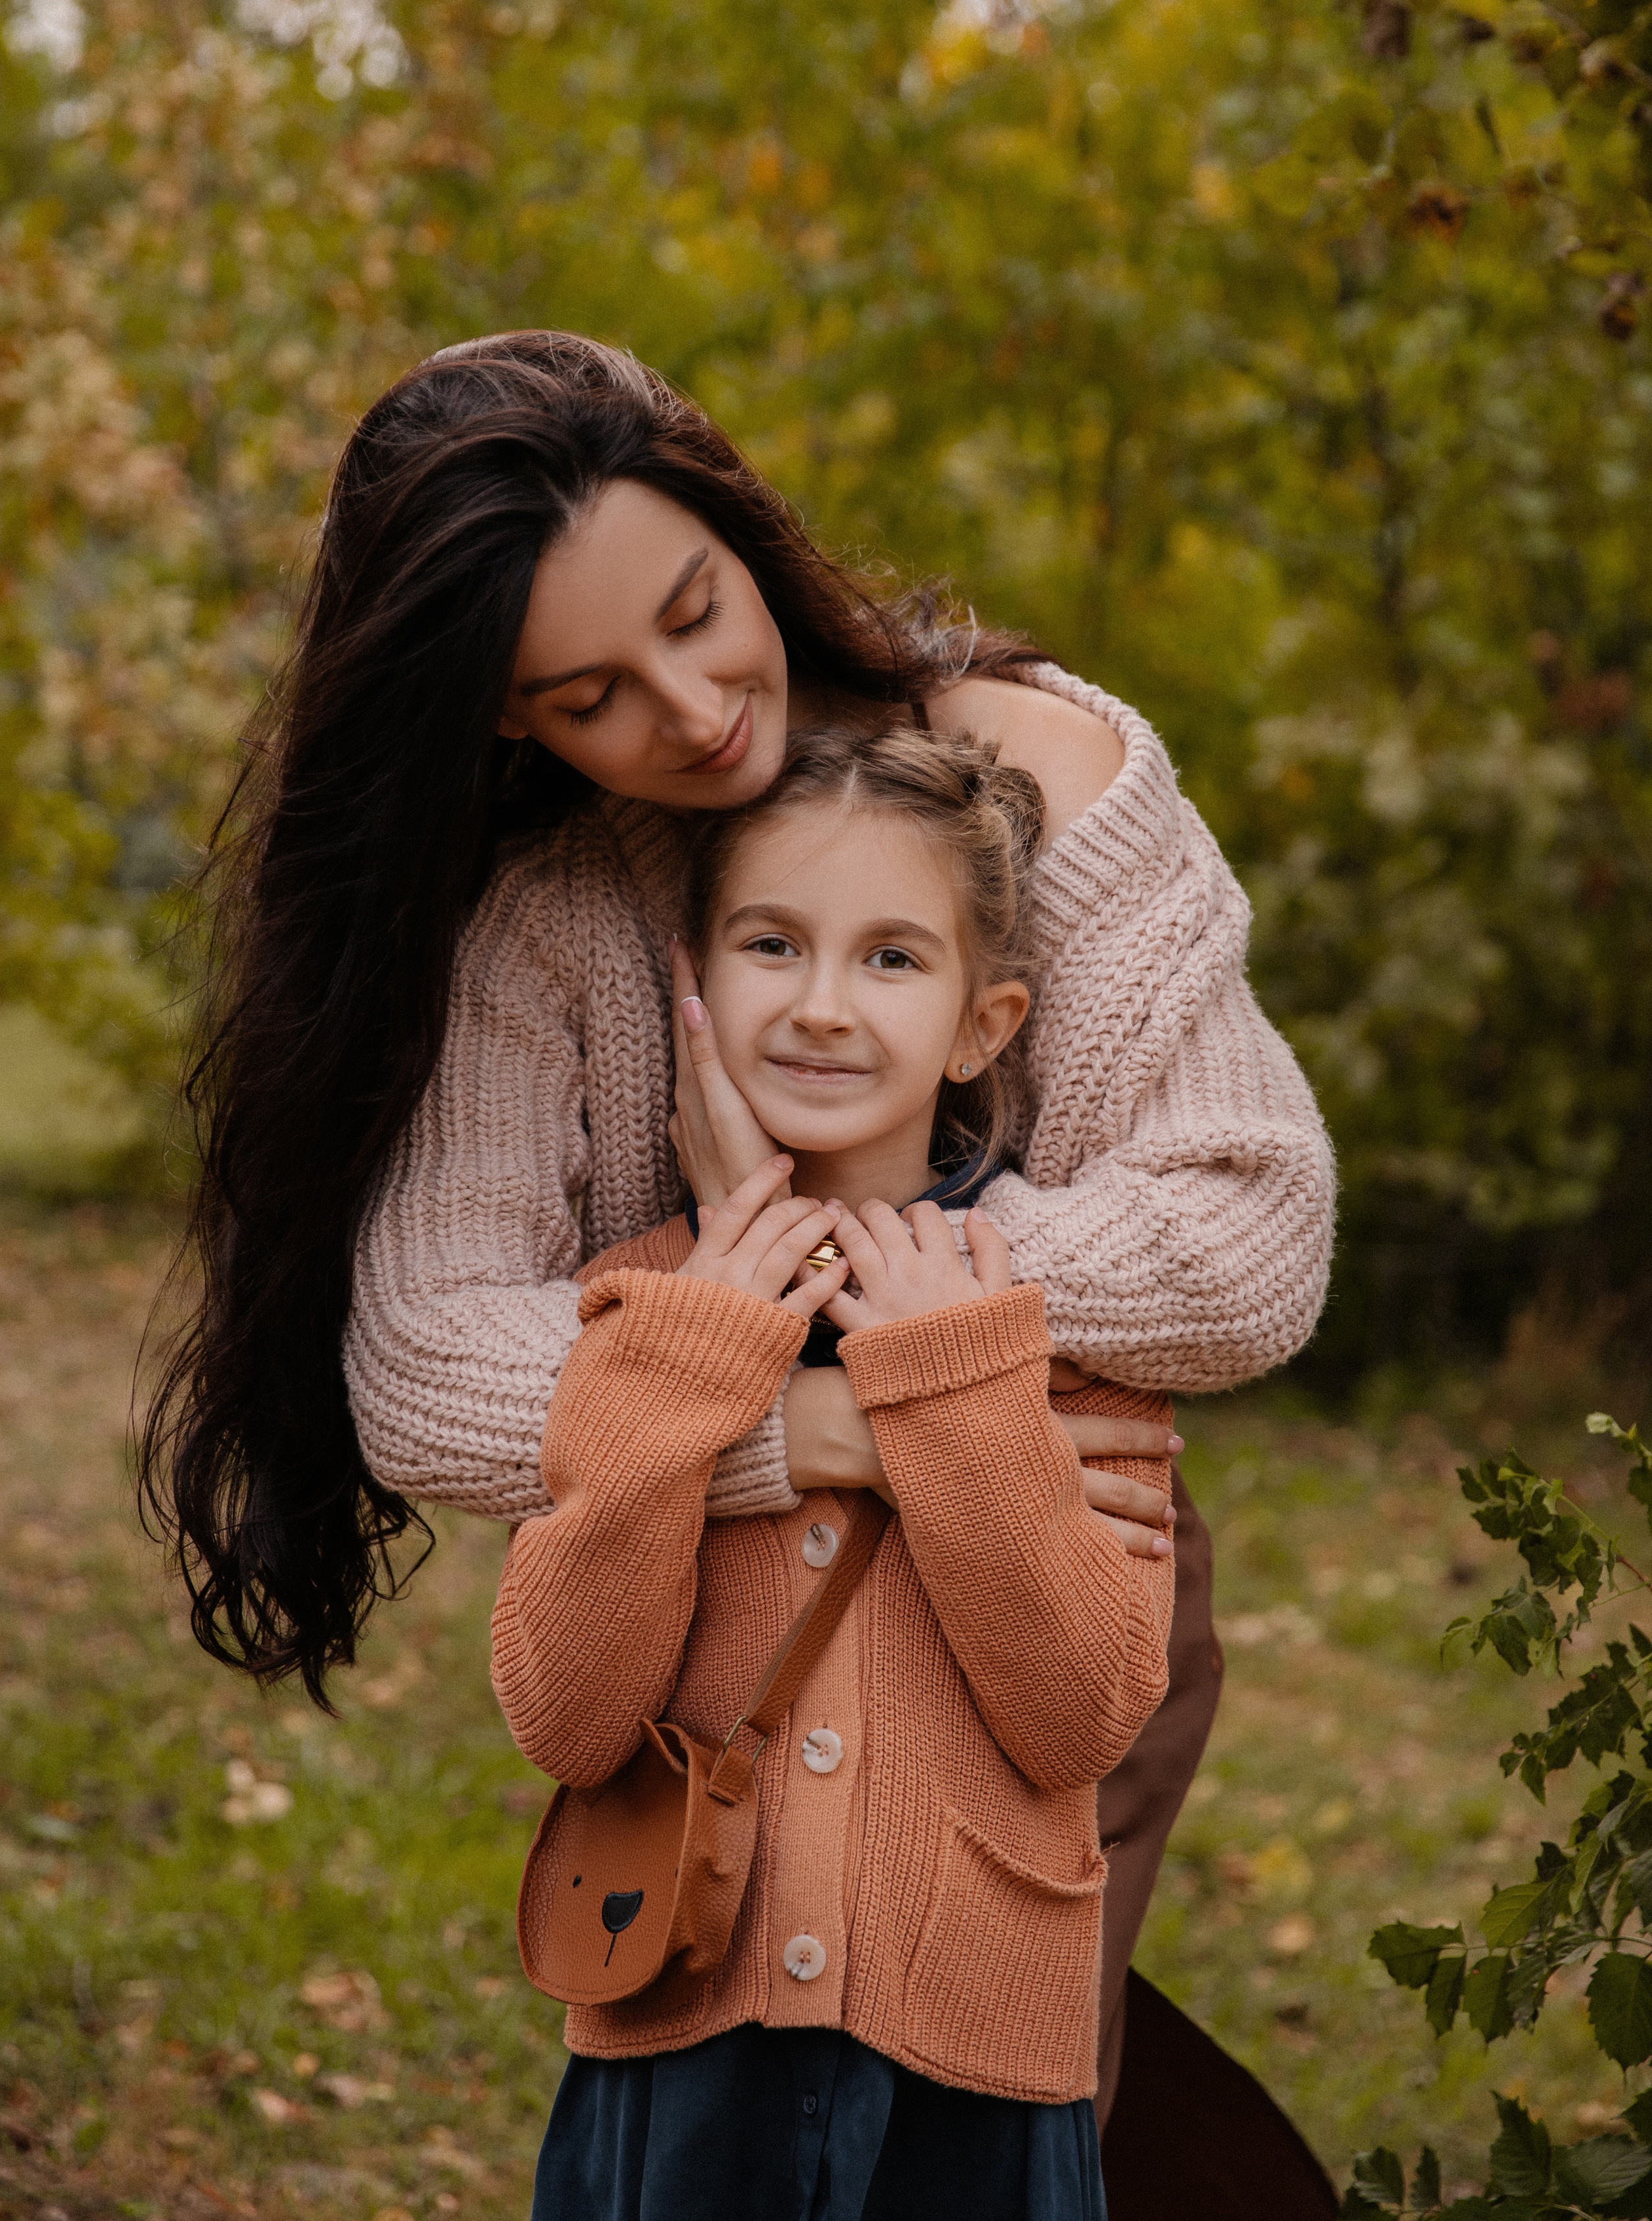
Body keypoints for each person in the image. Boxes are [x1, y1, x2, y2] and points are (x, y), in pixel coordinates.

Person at [140, 329, 1334, 2129]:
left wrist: (802, 1319)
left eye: (697, 612)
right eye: (592, 692)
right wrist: (818, 1429)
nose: (691, 709)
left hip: (1044, 1593)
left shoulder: (1034, 776)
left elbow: (1245, 1242)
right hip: (705, 1645)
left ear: (740, 526)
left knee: (1001, 2127)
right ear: (503, 716)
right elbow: (426, 1363)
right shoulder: (546, 924)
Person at [491, 723, 1175, 2220]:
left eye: (889, 959)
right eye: (770, 942)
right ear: (697, 978)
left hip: (973, 2073)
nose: (818, 1005)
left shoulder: (1067, 1325)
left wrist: (948, 1377)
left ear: (981, 1022)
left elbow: (1079, 1717)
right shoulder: (647, 1300)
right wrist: (695, 1353)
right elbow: (565, 1710)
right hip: (681, 2027)